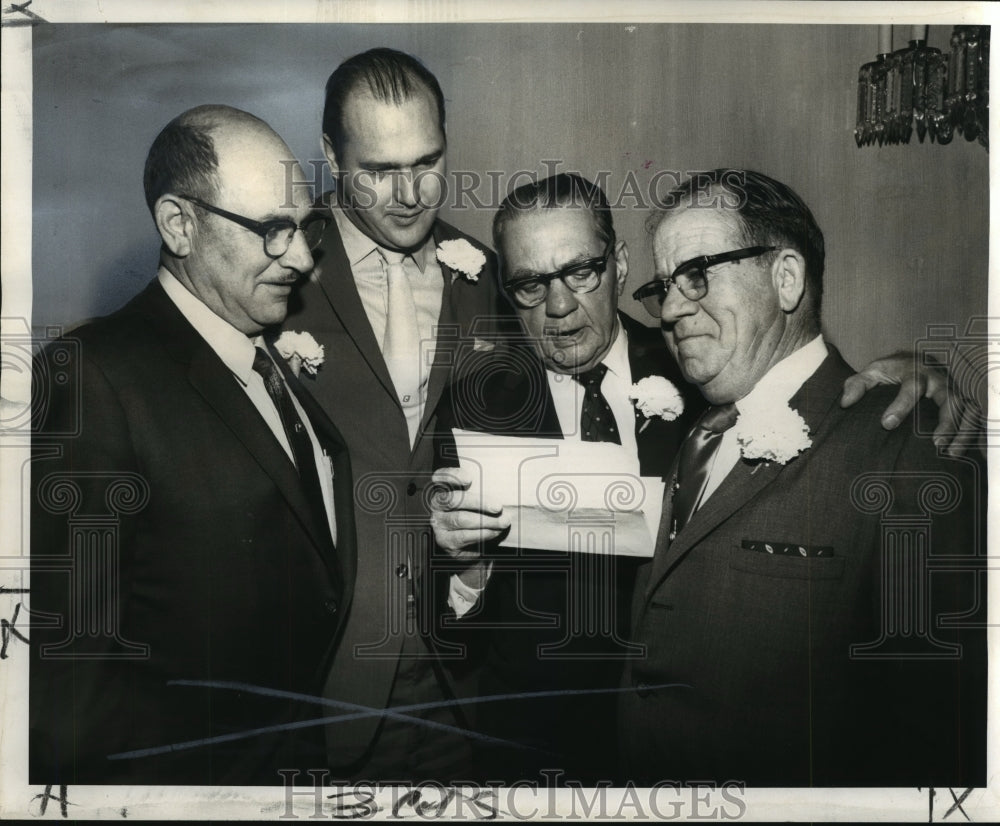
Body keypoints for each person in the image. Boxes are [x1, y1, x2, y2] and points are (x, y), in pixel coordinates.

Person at [429, 171, 982, 784]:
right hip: (539, 765)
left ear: (617, 264)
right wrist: (465, 573)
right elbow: (449, 635)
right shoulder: (476, 403)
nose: (559, 306)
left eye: (581, 271)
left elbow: (938, 712)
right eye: (530, 285)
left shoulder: (703, 371)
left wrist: (921, 373)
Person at [620, 168, 986, 786]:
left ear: (785, 278)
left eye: (699, 275)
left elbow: (942, 729)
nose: (672, 309)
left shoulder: (908, 444)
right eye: (664, 286)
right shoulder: (686, 432)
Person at [29, 105, 354, 785]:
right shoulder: (94, 376)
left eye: (305, 228)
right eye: (271, 230)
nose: (300, 257)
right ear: (180, 224)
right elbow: (72, 677)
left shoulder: (269, 355)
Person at [282, 47, 509, 780]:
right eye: (379, 170)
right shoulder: (276, 271)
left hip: (462, 684)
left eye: (428, 160)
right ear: (330, 158)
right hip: (322, 691)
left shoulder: (486, 276)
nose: (410, 193)